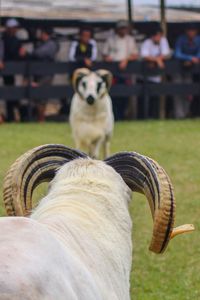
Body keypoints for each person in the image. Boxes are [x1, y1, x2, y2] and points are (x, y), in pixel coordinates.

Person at [103, 20, 138, 120]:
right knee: (113, 95)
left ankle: (123, 115)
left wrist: (126, 60)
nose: (123, 30)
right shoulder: (111, 40)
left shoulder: (130, 40)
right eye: (121, 28)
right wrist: (107, 59)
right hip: (113, 71)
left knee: (126, 95)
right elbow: (105, 54)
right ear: (117, 29)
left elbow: (135, 55)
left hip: (126, 72)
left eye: (125, 28)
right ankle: (114, 116)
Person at [21, 27, 59, 122]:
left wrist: (28, 53)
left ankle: (41, 119)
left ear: (46, 34)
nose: (41, 35)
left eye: (42, 33)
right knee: (38, 97)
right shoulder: (42, 44)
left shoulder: (51, 44)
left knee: (42, 97)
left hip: (46, 74)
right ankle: (39, 119)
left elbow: (38, 53)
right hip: (39, 74)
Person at [139, 26, 170, 119]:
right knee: (144, 98)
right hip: (145, 76)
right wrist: (157, 60)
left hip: (158, 76)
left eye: (160, 36)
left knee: (156, 97)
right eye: (157, 36)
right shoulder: (147, 43)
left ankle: (155, 116)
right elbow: (144, 56)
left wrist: (157, 60)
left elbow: (166, 54)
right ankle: (143, 117)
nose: (159, 38)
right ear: (152, 36)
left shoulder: (163, 41)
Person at [174, 25, 200, 118]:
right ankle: (179, 115)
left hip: (190, 71)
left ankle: (186, 113)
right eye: (189, 30)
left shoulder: (198, 40)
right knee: (178, 91)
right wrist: (189, 58)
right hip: (178, 69)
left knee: (189, 92)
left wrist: (193, 60)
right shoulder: (181, 39)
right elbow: (177, 54)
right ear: (186, 31)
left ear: (196, 31)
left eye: (193, 30)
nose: (191, 33)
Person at [2, 18, 25, 122]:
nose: (15, 30)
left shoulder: (15, 39)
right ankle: (13, 115)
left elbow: (17, 54)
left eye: (15, 28)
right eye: (13, 28)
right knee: (9, 92)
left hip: (12, 69)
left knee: (11, 92)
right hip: (6, 68)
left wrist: (22, 55)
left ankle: (13, 116)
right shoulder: (3, 38)